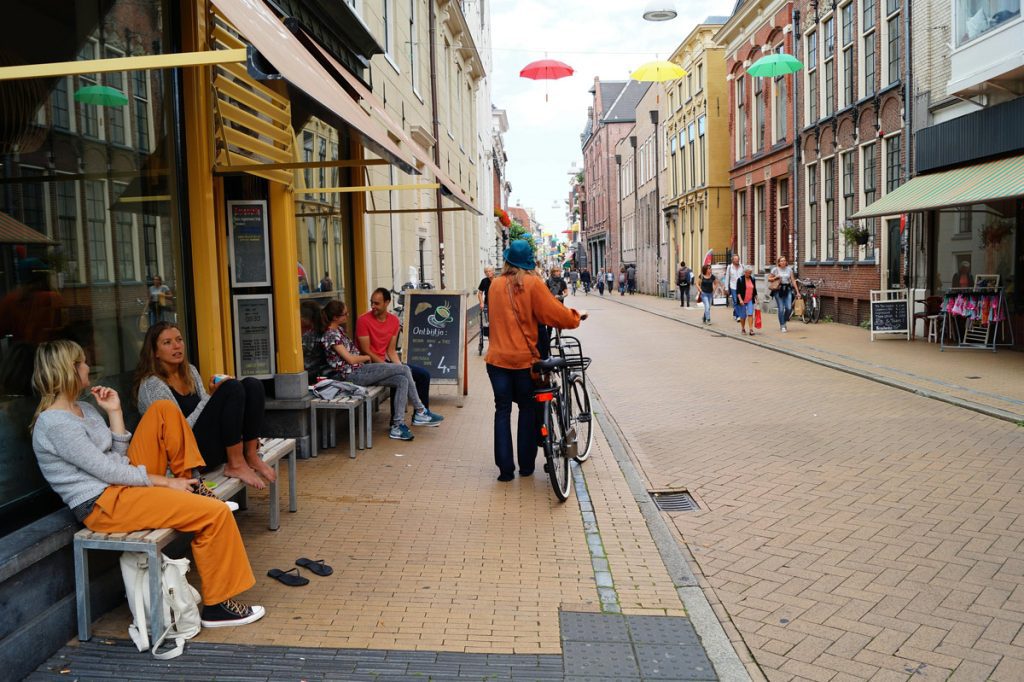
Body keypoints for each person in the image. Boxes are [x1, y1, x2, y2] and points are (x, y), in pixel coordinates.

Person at [31, 339, 265, 628]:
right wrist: (165, 484)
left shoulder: (84, 409)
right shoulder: (54, 424)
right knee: (213, 514)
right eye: (82, 363)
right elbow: (106, 471)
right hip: (103, 505)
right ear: (68, 370)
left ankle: (193, 481)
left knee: (164, 410)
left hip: (120, 486)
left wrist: (114, 412)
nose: (88, 367)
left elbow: (116, 460)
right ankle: (218, 607)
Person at [485, 240, 586, 482]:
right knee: (527, 410)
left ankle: (505, 471)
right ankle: (526, 466)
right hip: (523, 362)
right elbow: (554, 313)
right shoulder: (531, 284)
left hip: (496, 360)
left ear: (507, 260)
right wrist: (575, 317)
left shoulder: (494, 285)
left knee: (502, 411)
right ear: (528, 262)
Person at [135, 322, 275, 490]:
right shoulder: (152, 385)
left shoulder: (189, 371)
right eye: (167, 342)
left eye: (179, 340)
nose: (176, 346)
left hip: (210, 447)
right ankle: (236, 464)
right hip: (186, 458)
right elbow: (178, 434)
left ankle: (250, 454)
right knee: (232, 388)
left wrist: (215, 397)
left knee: (252, 385)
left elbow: (208, 412)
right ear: (155, 352)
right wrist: (212, 395)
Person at [321, 300, 442, 441]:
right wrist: (366, 357)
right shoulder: (330, 335)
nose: (347, 316)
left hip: (361, 371)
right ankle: (420, 410)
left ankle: (397, 425)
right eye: (345, 314)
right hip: (353, 375)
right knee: (403, 368)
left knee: (402, 379)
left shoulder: (338, 330)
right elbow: (350, 359)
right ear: (335, 317)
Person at [356, 287, 441, 416]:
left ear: (387, 302)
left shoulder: (394, 320)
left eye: (377, 303)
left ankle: (421, 415)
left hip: (384, 362)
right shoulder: (363, 320)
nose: (373, 306)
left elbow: (391, 351)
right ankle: (396, 422)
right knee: (399, 376)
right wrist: (391, 368)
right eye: (371, 302)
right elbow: (366, 350)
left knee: (423, 375)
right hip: (368, 367)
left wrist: (398, 366)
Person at [767, 256, 800, 333]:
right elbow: (769, 279)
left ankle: (784, 320)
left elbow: (793, 280)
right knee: (781, 308)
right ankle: (782, 325)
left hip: (787, 289)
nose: (783, 262)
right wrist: (775, 277)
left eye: (784, 260)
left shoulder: (789, 269)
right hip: (778, 290)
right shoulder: (775, 269)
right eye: (781, 261)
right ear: (779, 262)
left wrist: (797, 292)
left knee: (789, 308)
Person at [735, 265, 759, 335]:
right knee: (743, 316)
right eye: (748, 273)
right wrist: (740, 300)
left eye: (750, 273)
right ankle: (743, 328)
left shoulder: (753, 279)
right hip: (742, 300)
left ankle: (751, 329)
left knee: (750, 314)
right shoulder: (740, 279)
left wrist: (756, 298)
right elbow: (738, 291)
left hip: (750, 300)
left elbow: (754, 290)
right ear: (745, 272)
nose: (749, 274)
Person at [725, 255, 743, 320]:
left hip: (741, 287)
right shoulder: (729, 267)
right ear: (732, 260)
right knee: (735, 301)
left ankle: (735, 313)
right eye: (735, 259)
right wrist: (726, 288)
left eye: (738, 259)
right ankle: (738, 316)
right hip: (733, 286)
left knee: (740, 301)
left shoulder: (742, 266)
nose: (737, 260)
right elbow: (727, 278)